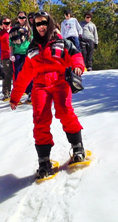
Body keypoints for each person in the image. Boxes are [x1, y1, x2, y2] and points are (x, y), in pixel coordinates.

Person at [9, 11, 86, 180]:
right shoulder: (32, 48)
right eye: (37, 24)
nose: (41, 27)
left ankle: (77, 147)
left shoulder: (61, 42)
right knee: (40, 119)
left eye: (43, 23)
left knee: (65, 112)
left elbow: (76, 55)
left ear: (49, 23)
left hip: (59, 82)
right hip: (40, 87)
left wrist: (78, 66)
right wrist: (15, 97)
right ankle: (44, 160)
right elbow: (24, 75)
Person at [9, 11, 33, 103]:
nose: (21, 19)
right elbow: (11, 42)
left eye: (23, 17)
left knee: (29, 73)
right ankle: (16, 95)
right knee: (18, 74)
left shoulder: (29, 29)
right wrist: (11, 54)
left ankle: (30, 92)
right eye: (20, 17)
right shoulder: (14, 30)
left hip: (27, 53)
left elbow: (32, 40)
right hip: (17, 53)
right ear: (17, 18)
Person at [0, 16, 13, 101]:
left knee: (18, 73)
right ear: (2, 24)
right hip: (5, 56)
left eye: (8, 23)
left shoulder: (14, 31)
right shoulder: (0, 34)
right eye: (4, 23)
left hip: (16, 54)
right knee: (7, 74)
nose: (6, 25)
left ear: (10, 23)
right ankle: (6, 92)